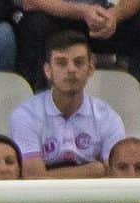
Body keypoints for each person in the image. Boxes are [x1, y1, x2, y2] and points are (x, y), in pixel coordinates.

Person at [8, 31, 125, 181]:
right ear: (47, 70)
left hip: (94, 201)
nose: (71, 69)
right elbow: (33, 179)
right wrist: (95, 170)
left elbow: (115, 174)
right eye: (61, 63)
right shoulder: (25, 115)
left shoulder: (108, 116)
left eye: (79, 62)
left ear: (91, 67)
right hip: (43, 202)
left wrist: (49, 175)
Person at [15, 0, 140, 107]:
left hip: (99, 15)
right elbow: (30, 2)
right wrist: (82, 12)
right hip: (56, 14)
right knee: (34, 26)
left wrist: (114, 15)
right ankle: (35, 109)